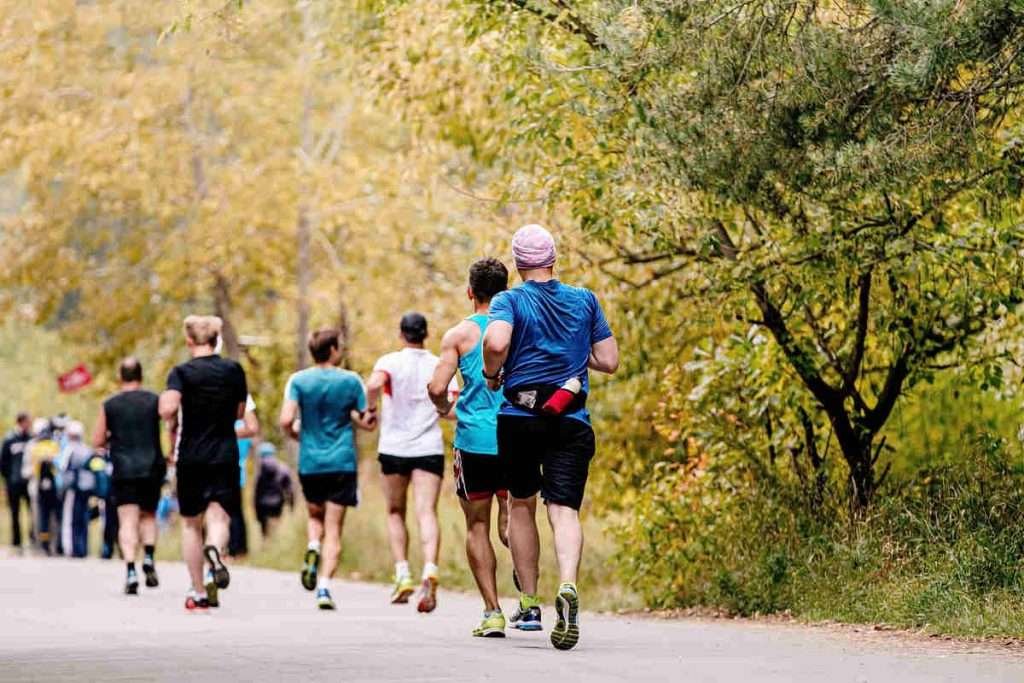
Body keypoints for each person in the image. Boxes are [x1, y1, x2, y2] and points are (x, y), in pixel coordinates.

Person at [482, 224, 619, 651]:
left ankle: (529, 599)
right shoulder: (585, 300)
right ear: (553, 259)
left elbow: (495, 339)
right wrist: (573, 354)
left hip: (520, 416)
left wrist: (491, 373)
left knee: (520, 505)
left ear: (519, 264)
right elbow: (609, 360)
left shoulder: (509, 299)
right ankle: (569, 585)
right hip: (570, 416)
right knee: (564, 511)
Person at [428, 258, 512, 638]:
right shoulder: (517, 329)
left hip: (474, 439)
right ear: (505, 291)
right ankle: (529, 602)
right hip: (516, 436)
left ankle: (493, 612)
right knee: (517, 519)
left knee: (477, 525)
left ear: (470, 292)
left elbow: (435, 388)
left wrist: (447, 408)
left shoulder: (459, 335)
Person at [365, 313, 456, 612]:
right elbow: (451, 405)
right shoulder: (437, 364)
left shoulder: (390, 362)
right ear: (426, 334)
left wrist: (370, 407)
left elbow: (374, 384)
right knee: (426, 511)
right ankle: (430, 568)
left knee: (395, 511)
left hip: (394, 447)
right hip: (428, 447)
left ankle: (402, 572)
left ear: (401, 334)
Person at [280, 329, 375, 610]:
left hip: (310, 462)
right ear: (333, 349)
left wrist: (300, 435)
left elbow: (286, 420)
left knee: (315, 518)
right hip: (341, 462)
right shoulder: (350, 381)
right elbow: (366, 421)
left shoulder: (298, 380)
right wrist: (369, 416)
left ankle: (312, 547)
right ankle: (323, 587)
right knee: (334, 529)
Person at [159, 315, 248, 611]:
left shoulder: (181, 373)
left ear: (189, 341)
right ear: (216, 339)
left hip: (190, 457)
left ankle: (198, 591)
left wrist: (172, 411)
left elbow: (167, 408)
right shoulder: (234, 370)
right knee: (219, 518)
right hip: (224, 454)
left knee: (190, 524)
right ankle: (216, 550)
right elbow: (239, 412)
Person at [93, 357, 166, 594]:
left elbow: (97, 440)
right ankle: (149, 557)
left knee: (127, 520)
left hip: (123, 469)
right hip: (151, 467)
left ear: (120, 377)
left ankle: (131, 570)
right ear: (141, 376)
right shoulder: (154, 401)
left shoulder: (110, 405)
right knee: (148, 516)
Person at [24, 419, 61, 555]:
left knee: (40, 517)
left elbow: (26, 470)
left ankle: (42, 545)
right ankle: (52, 545)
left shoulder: (33, 447)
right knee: (51, 517)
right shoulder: (54, 445)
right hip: (53, 487)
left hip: (37, 487)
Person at [59, 421, 95, 558]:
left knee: (71, 519)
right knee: (83, 519)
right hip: (87, 489)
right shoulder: (87, 449)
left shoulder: (70, 449)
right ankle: (83, 548)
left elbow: (62, 467)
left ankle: (72, 549)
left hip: (73, 488)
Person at [229, 394, 259, 558]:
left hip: (232, 469)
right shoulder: (242, 427)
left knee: (230, 512)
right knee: (236, 511)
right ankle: (239, 549)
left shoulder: (239, 427)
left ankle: (235, 548)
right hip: (237, 470)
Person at [1, 412, 33, 549]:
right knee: (15, 512)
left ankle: (32, 538)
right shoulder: (9, 439)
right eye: (27, 422)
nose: (28, 425)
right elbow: (3, 462)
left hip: (28, 482)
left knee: (33, 511)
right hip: (13, 482)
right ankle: (16, 541)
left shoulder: (31, 439)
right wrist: (8, 479)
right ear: (20, 422)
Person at [253, 442, 294, 538]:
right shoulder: (283, 468)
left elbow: (256, 492)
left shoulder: (259, 471)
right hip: (277, 502)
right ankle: (275, 543)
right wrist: (291, 503)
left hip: (262, 504)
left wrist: (255, 510)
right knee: (276, 525)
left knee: (265, 531)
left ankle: (267, 544)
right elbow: (290, 489)